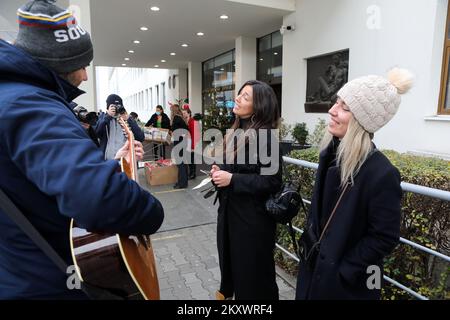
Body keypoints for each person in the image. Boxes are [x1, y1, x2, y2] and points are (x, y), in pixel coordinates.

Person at [0, 0, 164, 299]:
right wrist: (152, 212)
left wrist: (113, 164)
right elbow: (98, 197)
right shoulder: (30, 105)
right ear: (59, 63)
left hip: (24, 270)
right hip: (49, 282)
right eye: (81, 65)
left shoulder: (13, 96)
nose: (86, 76)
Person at [295, 68, 414, 300]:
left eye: (344, 107)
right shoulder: (330, 154)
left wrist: (344, 269)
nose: (332, 110)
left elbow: (384, 237)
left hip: (343, 288)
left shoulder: (381, 173)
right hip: (314, 275)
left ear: (362, 120)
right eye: (336, 102)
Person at [210, 80, 282, 300]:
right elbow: (231, 170)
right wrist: (218, 172)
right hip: (230, 218)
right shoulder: (236, 131)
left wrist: (232, 179)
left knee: (254, 282)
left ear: (259, 106)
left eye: (246, 97)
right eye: (240, 94)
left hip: (252, 224)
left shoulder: (267, 137)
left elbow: (272, 182)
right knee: (233, 274)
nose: (238, 98)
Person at [95, 94, 145, 160]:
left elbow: (140, 137)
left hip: (124, 160)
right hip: (106, 161)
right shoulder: (103, 118)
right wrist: (108, 116)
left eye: (118, 106)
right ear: (108, 107)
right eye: (113, 106)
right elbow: (97, 133)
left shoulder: (125, 119)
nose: (116, 109)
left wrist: (128, 119)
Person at [170, 104, 189, 189]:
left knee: (180, 163)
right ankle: (184, 181)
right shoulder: (181, 118)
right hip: (183, 141)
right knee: (183, 162)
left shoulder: (176, 119)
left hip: (179, 142)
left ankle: (182, 183)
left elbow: (174, 131)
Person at [181, 105, 200, 180]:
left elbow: (195, 135)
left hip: (191, 143)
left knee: (192, 159)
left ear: (189, 113)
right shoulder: (185, 121)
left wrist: (192, 146)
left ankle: (193, 174)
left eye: (185, 113)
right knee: (188, 159)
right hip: (186, 143)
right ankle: (190, 173)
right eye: (183, 113)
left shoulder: (192, 122)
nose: (184, 114)